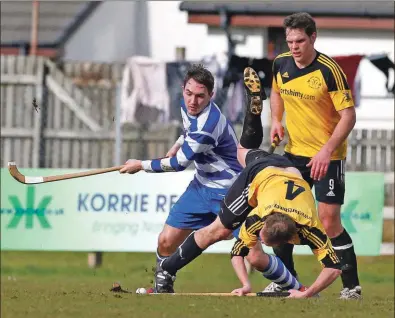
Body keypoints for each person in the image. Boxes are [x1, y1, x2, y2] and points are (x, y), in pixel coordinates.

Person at [154, 67, 342, 298]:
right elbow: (334, 267)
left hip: (285, 167)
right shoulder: (297, 225)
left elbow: (238, 252)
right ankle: (167, 270)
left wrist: (246, 285)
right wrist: (307, 292)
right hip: (259, 174)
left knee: (244, 150)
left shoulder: (284, 222)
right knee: (216, 231)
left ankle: (253, 111)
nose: (193, 100)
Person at [119, 64, 243, 293]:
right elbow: (187, 129)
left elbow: (179, 164)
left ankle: (289, 282)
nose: (193, 101)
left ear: (210, 96)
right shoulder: (188, 106)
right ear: (182, 88)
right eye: (189, 94)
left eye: (200, 96)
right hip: (201, 186)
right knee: (165, 241)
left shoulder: (208, 124)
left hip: (229, 190)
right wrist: (177, 144)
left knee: (255, 251)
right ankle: (162, 287)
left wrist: (140, 165)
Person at [266, 12, 360, 299]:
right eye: (290, 41)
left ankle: (351, 287)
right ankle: (287, 281)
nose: (294, 46)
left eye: (300, 41)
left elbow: (349, 116)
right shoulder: (280, 63)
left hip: (328, 157)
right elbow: (277, 92)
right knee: (281, 214)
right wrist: (276, 121)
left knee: (329, 220)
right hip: (293, 154)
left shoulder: (329, 71)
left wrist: (326, 150)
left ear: (313, 37)